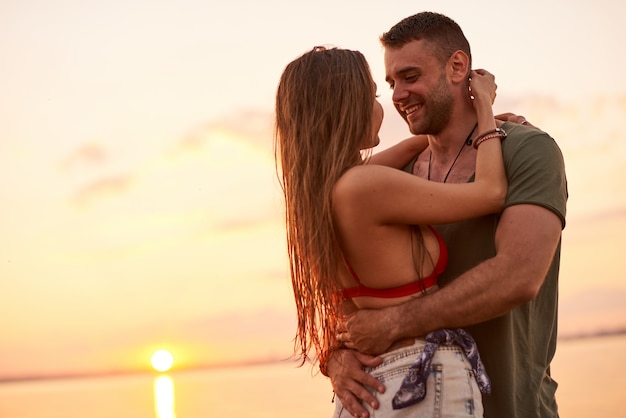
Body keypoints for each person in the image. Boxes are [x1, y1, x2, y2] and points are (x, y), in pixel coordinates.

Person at [328, 12, 568, 418]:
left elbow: (518, 276)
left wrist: (394, 324)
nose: (398, 94)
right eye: (390, 84)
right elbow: (345, 298)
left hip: (511, 407)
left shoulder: (526, 151)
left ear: (458, 67)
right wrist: (333, 355)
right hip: (403, 403)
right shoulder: (391, 179)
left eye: (409, 76)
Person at [275, 44, 507, 417]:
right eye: (373, 95)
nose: (382, 107)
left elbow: (405, 151)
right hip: (420, 379)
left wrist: (463, 129)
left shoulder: (316, 199)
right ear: (346, 109)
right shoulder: (367, 187)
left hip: (367, 391)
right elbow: (491, 192)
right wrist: (484, 111)